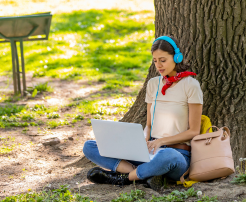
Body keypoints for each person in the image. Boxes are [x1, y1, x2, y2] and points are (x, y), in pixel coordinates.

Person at [82, 35, 203, 190]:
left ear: (176, 57)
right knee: (90, 146)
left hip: (177, 154)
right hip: (150, 152)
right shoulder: (153, 84)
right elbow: (148, 124)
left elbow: (193, 131)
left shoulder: (191, 85)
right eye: (155, 60)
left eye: (163, 60)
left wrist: (162, 141)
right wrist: (143, 141)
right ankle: (143, 175)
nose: (158, 65)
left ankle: (124, 178)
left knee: (167, 156)